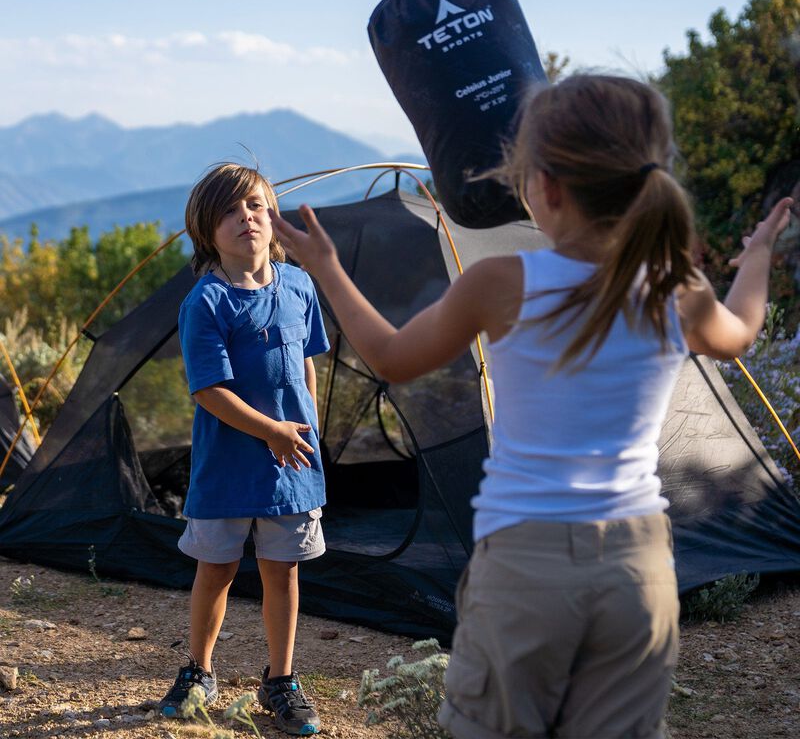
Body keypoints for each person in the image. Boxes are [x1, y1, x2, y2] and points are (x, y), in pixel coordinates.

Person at [269, 74, 794, 739]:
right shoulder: (673, 288)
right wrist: (759, 254)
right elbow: (741, 332)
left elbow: (394, 357)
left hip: (526, 564)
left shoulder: (502, 283)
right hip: (639, 568)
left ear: (543, 188)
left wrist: (327, 267)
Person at [159, 163, 329, 737]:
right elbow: (210, 391)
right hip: (228, 468)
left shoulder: (300, 285)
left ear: (272, 216)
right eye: (229, 212)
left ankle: (280, 681)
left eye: (255, 206)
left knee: (282, 573)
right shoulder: (205, 303)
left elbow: (307, 360)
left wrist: (307, 423)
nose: (246, 218)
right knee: (219, 569)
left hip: (293, 465)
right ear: (207, 232)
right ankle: (199, 671)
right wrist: (273, 432)